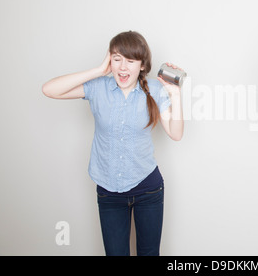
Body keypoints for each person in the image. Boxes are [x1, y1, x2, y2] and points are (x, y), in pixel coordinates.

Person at [42, 31, 184, 256]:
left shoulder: (155, 90)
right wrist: (99, 70)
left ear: (142, 65)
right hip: (109, 191)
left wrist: (175, 94)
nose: (123, 67)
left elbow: (176, 134)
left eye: (130, 61)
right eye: (117, 59)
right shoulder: (98, 88)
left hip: (148, 188)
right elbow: (49, 90)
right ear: (109, 61)